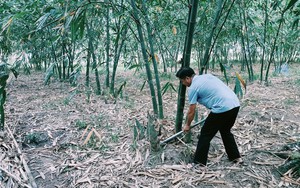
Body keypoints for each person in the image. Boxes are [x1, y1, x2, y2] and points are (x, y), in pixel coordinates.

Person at [176, 67, 242, 166]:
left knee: (205, 134)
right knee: (225, 131)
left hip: (222, 107)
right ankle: (235, 157)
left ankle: (199, 163)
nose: (183, 84)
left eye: (182, 81)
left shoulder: (193, 87)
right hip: (235, 104)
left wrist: (187, 125)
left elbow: (191, 111)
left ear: (187, 78)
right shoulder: (207, 76)